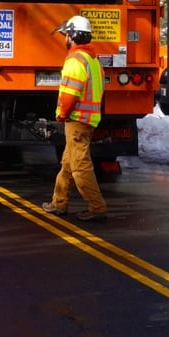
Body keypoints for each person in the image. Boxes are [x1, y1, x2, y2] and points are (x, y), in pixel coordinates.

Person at [42, 15, 108, 222]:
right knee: (68, 164)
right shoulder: (93, 60)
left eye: (66, 35)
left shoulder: (75, 60)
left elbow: (70, 94)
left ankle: (97, 207)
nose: (65, 39)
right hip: (87, 119)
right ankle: (59, 203)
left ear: (73, 35)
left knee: (80, 167)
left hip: (77, 120)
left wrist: (62, 114)